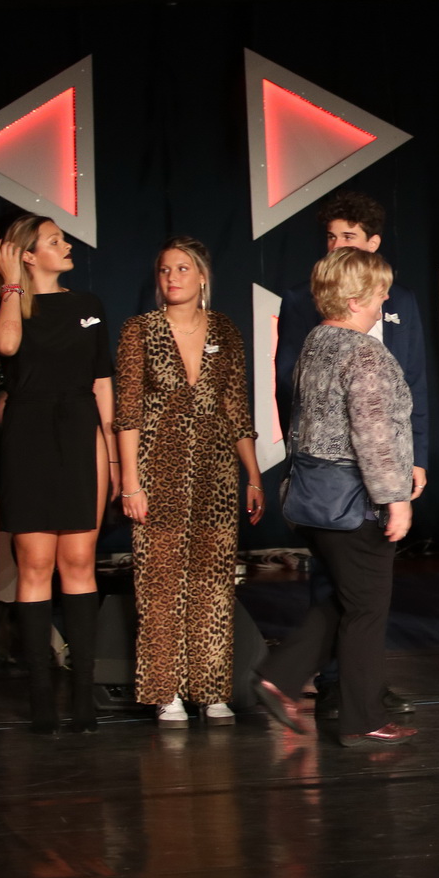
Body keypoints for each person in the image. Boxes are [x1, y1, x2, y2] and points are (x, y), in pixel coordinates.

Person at [274, 189, 428, 720]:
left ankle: (285, 678)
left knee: (347, 598)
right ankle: (357, 713)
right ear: (357, 300)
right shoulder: (361, 351)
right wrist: (396, 497)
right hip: (349, 495)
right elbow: (372, 432)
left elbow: (411, 388)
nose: (386, 303)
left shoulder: (321, 339)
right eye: (379, 295)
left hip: (319, 491)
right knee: (363, 602)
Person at [115, 237, 263, 727]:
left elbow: (236, 408)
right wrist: (131, 483)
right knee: (159, 585)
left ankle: (211, 688)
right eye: (164, 270)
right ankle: (166, 691)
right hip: (158, 470)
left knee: (213, 584)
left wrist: (253, 474)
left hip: (216, 473)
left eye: (182, 268)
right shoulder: (139, 330)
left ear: (202, 276)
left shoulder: (225, 330)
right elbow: (127, 413)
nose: (172, 277)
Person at [0, 215, 115, 733]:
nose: (66, 245)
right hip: (29, 435)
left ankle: (83, 695)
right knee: (35, 563)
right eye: (54, 240)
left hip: (81, 430)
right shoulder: (12, 303)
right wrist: (11, 284)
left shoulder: (89, 304)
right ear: (28, 254)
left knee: (79, 559)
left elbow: (103, 382)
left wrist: (114, 458)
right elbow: (6, 346)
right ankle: (41, 695)